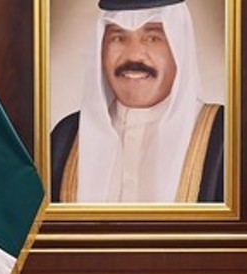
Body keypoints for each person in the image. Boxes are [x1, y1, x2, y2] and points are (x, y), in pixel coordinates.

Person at [50, 0, 224, 203]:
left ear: (179, 46)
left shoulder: (225, 137)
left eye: (152, 38)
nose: (133, 55)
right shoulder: (66, 137)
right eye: (118, 38)